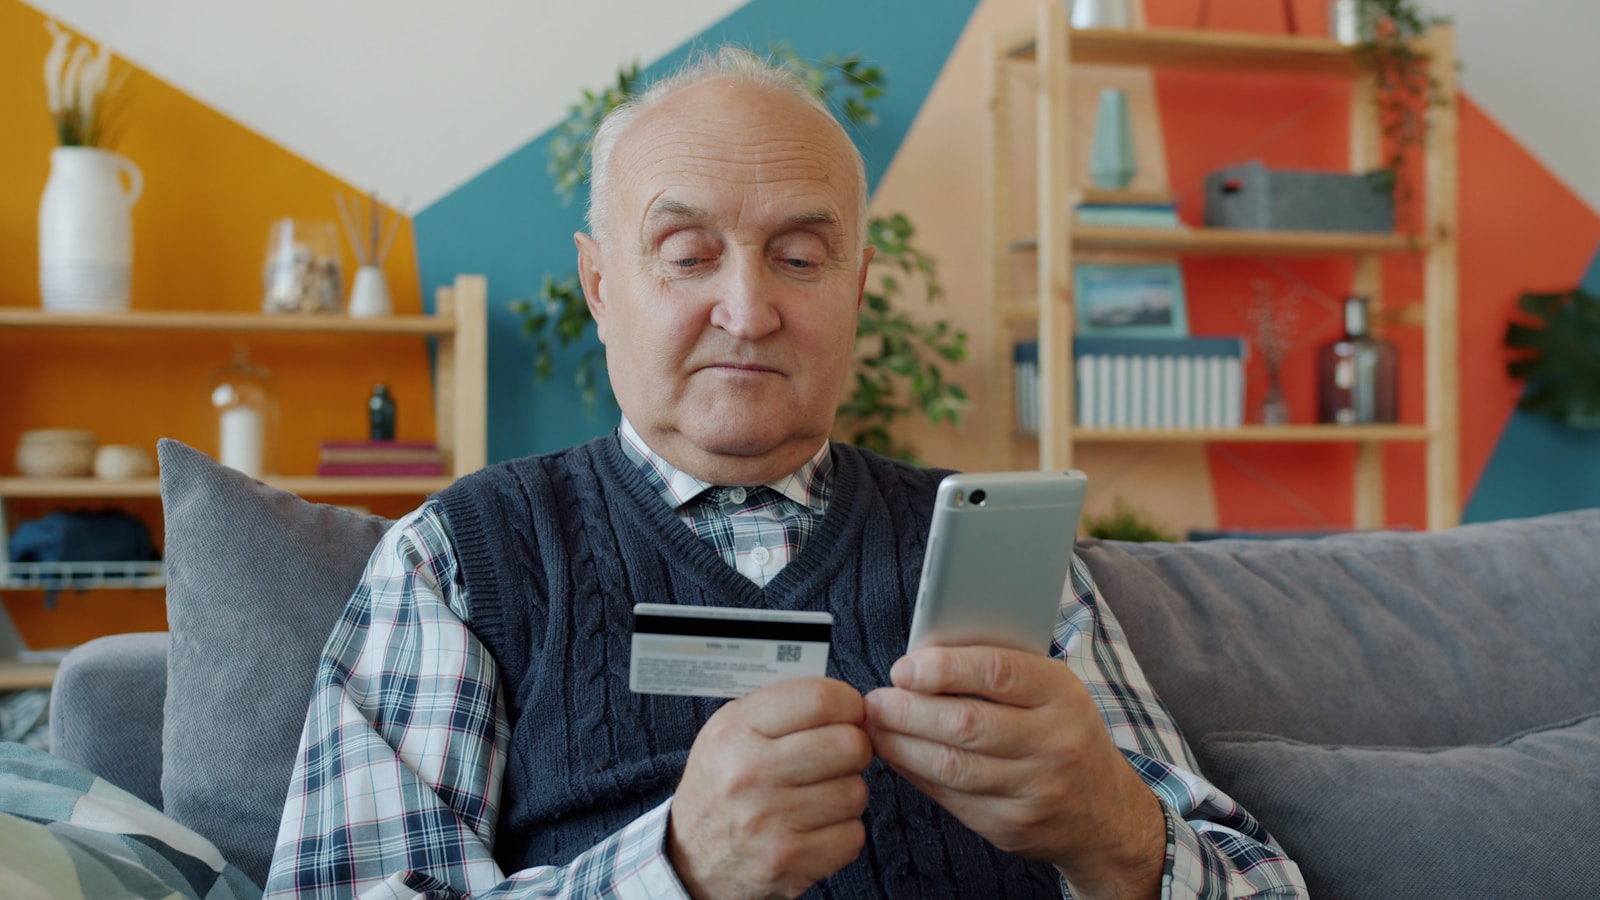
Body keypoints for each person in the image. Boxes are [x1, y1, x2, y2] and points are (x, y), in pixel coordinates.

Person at [263, 47, 1306, 899]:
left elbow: (1261, 889)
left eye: (800, 257)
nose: (749, 309)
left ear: (857, 288)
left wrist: (1115, 835)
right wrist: (675, 872)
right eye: (686, 252)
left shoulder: (997, 550)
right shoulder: (461, 559)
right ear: (597, 284)